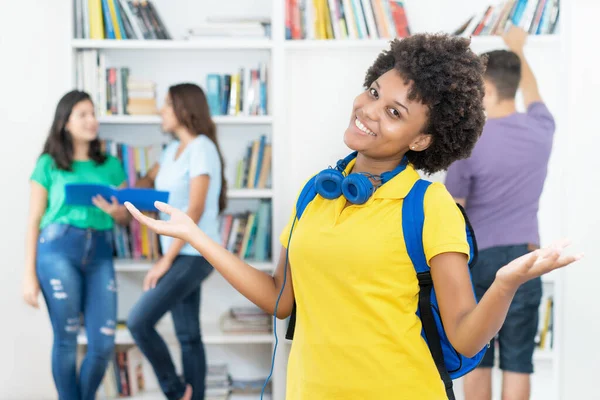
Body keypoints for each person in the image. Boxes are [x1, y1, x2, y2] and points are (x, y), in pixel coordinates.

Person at [123, 34, 580, 400]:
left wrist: (503, 285)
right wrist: (197, 236)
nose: (368, 111)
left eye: (394, 112)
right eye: (375, 92)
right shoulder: (314, 193)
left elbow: (463, 338)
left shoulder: (429, 205)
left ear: (421, 140)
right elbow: (281, 300)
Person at [444, 26, 557, 400]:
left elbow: (452, 211)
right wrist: (519, 49)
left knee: (476, 355)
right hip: (527, 256)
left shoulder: (471, 143)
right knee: (519, 360)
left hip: (480, 261)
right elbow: (533, 92)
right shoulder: (542, 128)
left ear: (487, 92)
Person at [23, 90, 131, 400]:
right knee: (66, 339)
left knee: (103, 344)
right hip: (57, 250)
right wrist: (28, 274)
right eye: (82, 114)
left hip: (99, 251)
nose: (91, 120)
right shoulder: (49, 163)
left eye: (93, 113)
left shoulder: (110, 164)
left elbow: (125, 217)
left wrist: (116, 211)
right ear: (65, 122)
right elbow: (33, 219)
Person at [126, 83, 227, 400]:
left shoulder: (202, 148)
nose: (162, 110)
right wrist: (121, 196)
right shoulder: (171, 151)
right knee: (188, 335)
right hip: (178, 251)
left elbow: (194, 210)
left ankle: (175, 391)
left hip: (195, 253)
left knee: (138, 321)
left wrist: (164, 261)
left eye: (167, 104)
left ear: (185, 109)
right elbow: (147, 185)